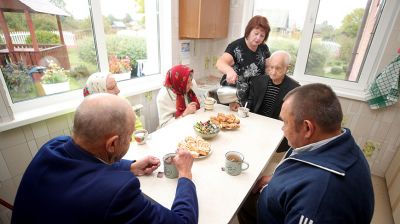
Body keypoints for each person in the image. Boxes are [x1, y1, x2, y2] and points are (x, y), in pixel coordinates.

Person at [11, 93, 198, 224]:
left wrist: (131, 167)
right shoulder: (118, 192)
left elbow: (85, 166)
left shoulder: (53, 146)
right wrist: (185, 174)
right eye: (129, 135)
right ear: (112, 144)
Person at [239, 83, 374, 224]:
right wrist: (275, 180)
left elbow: (314, 195)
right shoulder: (339, 141)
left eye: (285, 122)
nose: (283, 129)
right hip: (278, 200)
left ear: (307, 128)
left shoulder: (320, 198)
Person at [247, 50, 300, 152]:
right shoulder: (258, 81)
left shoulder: (295, 89)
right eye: (271, 67)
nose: (273, 71)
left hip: (276, 131)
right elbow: (250, 103)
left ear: (287, 68)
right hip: (255, 126)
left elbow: (292, 117)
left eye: (278, 68)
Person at [216, 15, 271, 111]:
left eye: (262, 36)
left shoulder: (263, 48)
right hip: (233, 98)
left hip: (252, 98)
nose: (258, 38)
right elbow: (220, 63)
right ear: (249, 31)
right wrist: (229, 71)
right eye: (256, 33)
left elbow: (268, 68)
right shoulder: (236, 46)